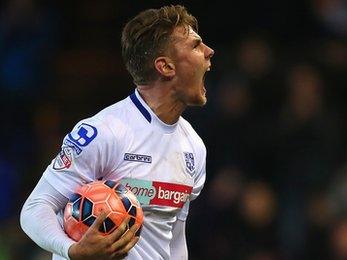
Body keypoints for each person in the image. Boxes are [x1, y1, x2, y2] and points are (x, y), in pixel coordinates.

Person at [20, 5, 214, 259]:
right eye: (196, 45)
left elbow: (174, 239)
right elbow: (35, 208)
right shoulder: (104, 132)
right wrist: (73, 250)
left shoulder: (194, 147)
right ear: (166, 67)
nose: (209, 52)